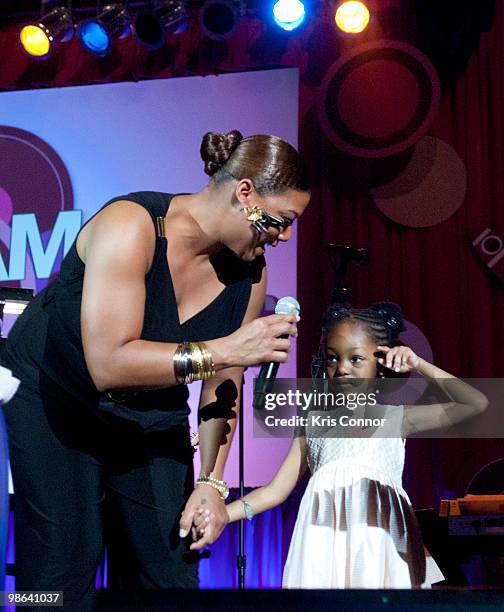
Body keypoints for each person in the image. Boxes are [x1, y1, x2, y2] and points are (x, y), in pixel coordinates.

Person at [2, 130, 311, 608]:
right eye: (282, 220)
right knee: (56, 576)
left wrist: (210, 480)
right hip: (55, 401)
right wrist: (226, 350)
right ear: (244, 192)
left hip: (151, 411)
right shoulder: (132, 225)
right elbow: (109, 363)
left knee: (170, 570)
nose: (285, 236)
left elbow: (222, 381)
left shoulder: (250, 273)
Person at [220, 302, 488, 588]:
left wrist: (418, 364)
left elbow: (475, 403)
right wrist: (222, 515)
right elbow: (275, 491)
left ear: (379, 362)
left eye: (356, 359)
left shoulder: (397, 418)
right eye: (333, 359)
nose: (342, 369)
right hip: (325, 545)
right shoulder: (313, 424)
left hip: (379, 543)